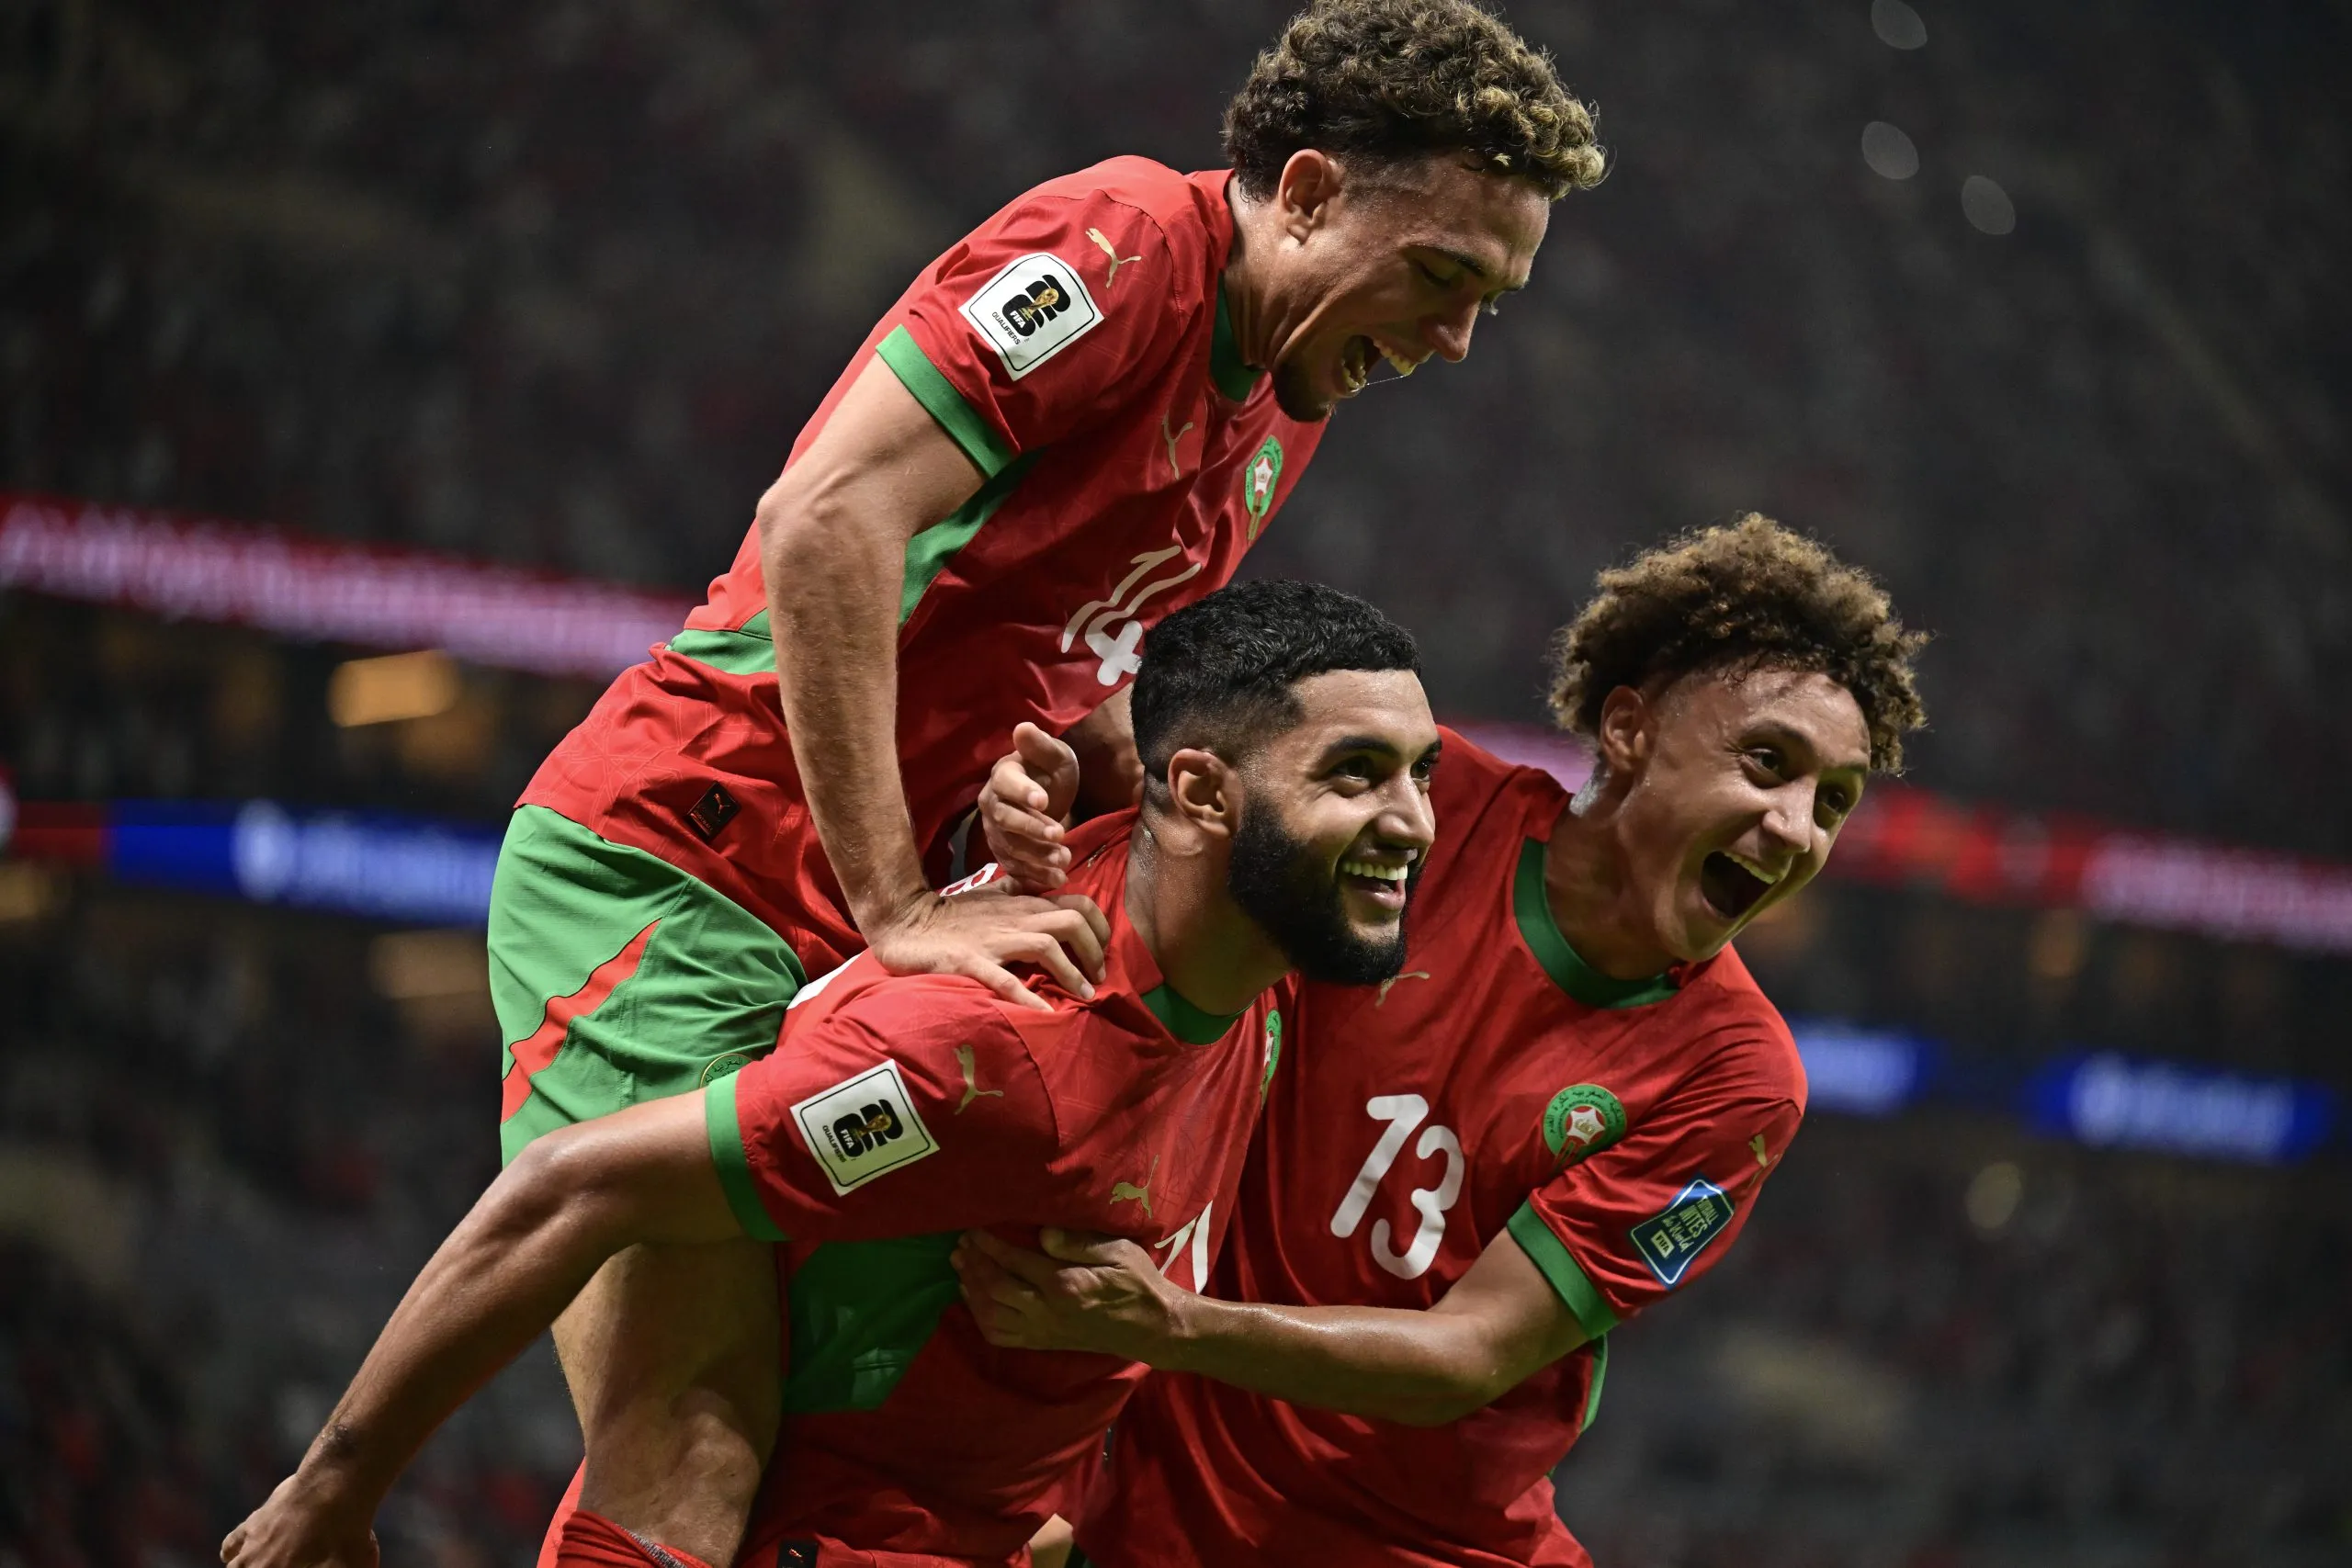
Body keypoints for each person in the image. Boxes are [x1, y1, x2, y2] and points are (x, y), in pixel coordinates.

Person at [483, 5, 1602, 1562]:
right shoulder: (1122, 248)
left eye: (1492, 299)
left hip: (878, 913)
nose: (1459, 338)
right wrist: (898, 901)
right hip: (697, 858)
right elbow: (827, 517)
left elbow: (1062, 662)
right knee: (691, 1441)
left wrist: (1042, 782)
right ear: (1305, 193)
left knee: (854, 1469)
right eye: (1442, 274)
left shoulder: (1283, 409)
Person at [220, 581, 1442, 1568]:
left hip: (993, 1522)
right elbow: (571, 1186)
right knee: (680, 1465)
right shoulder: (994, 1061)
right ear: (1205, 795)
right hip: (848, 1537)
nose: (1413, 821)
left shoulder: (1235, 925)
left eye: (1419, 772)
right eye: (1356, 774)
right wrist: (334, 1486)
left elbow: (1140, 716)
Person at [957, 516, 1928, 1566]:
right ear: (1628, 729)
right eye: (1767, 762)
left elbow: (1470, 1356)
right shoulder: (1419, 811)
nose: (1795, 828)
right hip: (1152, 1514)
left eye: (1833, 800)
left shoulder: (1736, 1075)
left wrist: (1166, 1325)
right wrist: (1019, 799)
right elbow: (1136, 750)